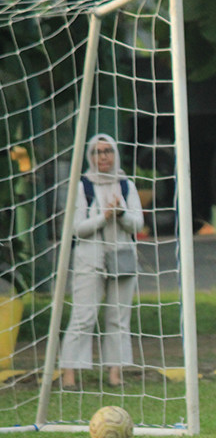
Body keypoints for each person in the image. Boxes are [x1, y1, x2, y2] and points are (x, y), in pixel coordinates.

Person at [59, 134, 144, 390]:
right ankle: (69, 374)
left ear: (115, 154)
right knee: (83, 315)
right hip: (89, 258)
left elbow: (137, 223)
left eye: (107, 151)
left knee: (118, 317)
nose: (103, 156)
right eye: (97, 152)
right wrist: (103, 218)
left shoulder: (126, 185)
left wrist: (120, 215)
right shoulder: (82, 185)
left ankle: (115, 373)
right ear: (90, 156)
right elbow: (77, 228)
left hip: (121, 256)